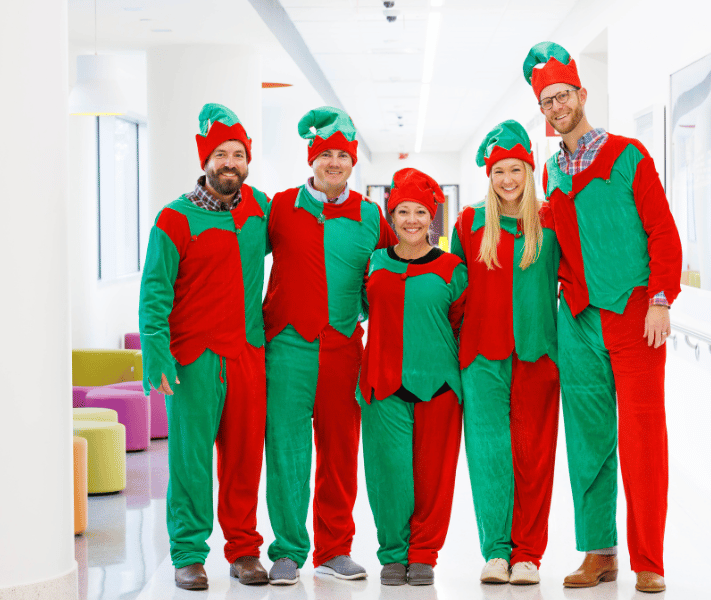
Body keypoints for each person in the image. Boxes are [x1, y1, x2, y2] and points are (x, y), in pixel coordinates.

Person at [522, 41, 682, 593]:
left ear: (581, 94)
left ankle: (649, 560)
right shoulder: (549, 171)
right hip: (580, 320)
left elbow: (662, 231)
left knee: (642, 437)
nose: (556, 105)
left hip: (636, 314)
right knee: (588, 441)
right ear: (541, 110)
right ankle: (599, 553)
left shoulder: (627, 154)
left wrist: (660, 298)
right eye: (546, 100)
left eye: (562, 94)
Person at [138, 103, 271, 590]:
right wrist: (157, 356)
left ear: (247, 161)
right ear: (205, 160)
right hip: (193, 360)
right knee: (190, 460)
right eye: (220, 154)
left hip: (248, 355)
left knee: (243, 459)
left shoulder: (260, 210)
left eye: (238, 154)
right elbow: (155, 292)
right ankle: (189, 553)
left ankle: (243, 550)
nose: (230, 163)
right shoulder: (174, 218)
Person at [262, 106, 397, 585]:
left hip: (343, 349)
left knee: (340, 450)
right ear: (312, 159)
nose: (334, 162)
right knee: (286, 450)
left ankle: (335, 548)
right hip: (286, 348)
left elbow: (393, 272)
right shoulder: (277, 207)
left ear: (353, 160)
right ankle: (287, 550)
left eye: (343, 154)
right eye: (326, 154)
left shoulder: (369, 216)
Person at [452, 121, 560, 585]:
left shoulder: (552, 220)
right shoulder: (469, 222)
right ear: (489, 175)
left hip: (537, 353)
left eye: (516, 169)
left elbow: (573, 280)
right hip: (482, 357)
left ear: (529, 170)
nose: (508, 179)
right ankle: (496, 550)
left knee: (534, 456)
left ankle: (528, 553)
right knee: (489, 454)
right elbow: (455, 290)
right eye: (499, 171)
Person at [358, 168, 467, 587]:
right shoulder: (375, 263)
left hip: (438, 385)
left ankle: (423, 553)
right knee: (389, 474)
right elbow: (362, 311)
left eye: (420, 212)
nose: (411, 220)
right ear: (391, 215)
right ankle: (393, 552)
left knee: (434, 475)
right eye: (402, 211)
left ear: (432, 218)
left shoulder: (452, 268)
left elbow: (460, 323)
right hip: (383, 385)